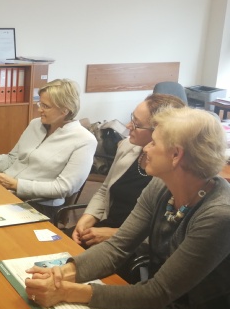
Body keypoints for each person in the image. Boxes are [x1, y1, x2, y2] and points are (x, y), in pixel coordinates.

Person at [25, 107, 230, 309]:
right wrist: (62, 273)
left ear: (176, 155)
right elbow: (117, 247)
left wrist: (67, 292)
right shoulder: (160, 186)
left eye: (154, 143)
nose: (146, 149)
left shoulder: (218, 214)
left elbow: (158, 292)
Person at [0, 79, 97, 209]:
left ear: (64, 110)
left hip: (38, 204)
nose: (39, 109)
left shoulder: (84, 140)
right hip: (5, 192)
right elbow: (12, 159)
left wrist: (18, 185)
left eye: (46, 106)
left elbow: (65, 188)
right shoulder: (35, 124)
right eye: (40, 104)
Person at [72, 94, 185, 247]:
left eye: (136, 124)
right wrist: (87, 218)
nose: (127, 126)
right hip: (103, 229)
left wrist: (114, 234)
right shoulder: (127, 146)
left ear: (160, 131)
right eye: (132, 118)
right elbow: (105, 190)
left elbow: (166, 235)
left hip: (136, 246)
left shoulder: (173, 172)